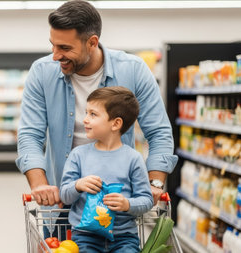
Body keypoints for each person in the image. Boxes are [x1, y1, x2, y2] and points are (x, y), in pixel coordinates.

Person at [16, 0, 177, 238]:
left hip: (117, 200)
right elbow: (30, 134)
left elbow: (159, 132)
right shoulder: (42, 73)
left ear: (92, 42)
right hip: (64, 198)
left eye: (65, 48)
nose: (55, 55)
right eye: (52, 45)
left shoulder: (133, 70)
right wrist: (39, 184)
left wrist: (154, 184)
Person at [60, 86, 153, 252]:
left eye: (93, 114)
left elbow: (146, 200)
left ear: (116, 123)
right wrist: (78, 185)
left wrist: (127, 204)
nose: (85, 119)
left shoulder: (133, 158)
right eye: (86, 112)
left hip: (124, 237)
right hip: (84, 236)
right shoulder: (78, 155)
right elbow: (65, 196)